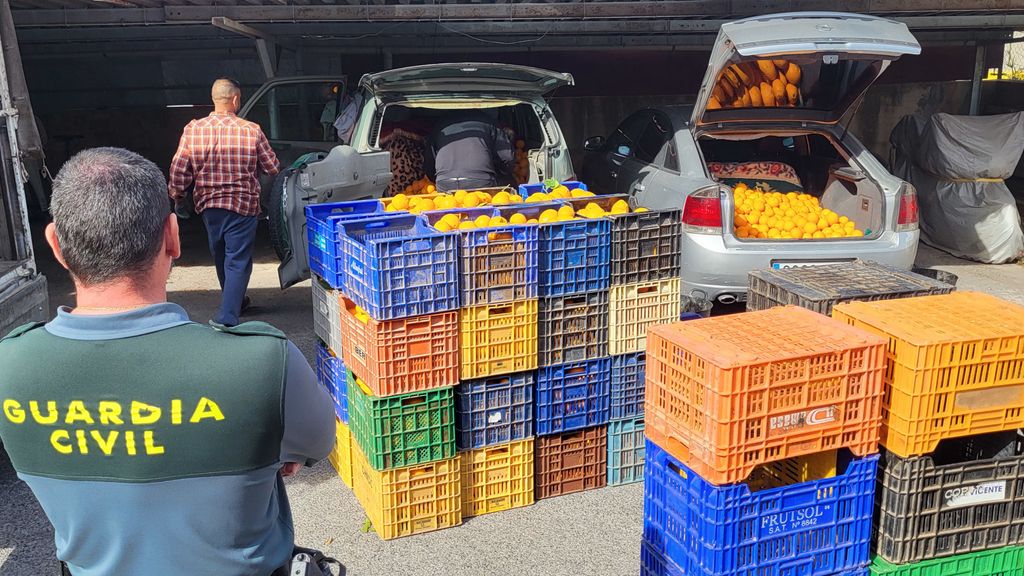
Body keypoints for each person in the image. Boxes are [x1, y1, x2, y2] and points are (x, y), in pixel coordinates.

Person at [0, 147, 336, 576]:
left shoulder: (10, 367)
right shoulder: (262, 363)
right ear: (173, 237)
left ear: (56, 246)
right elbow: (316, 443)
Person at [168, 78, 280, 327]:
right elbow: (272, 168)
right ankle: (228, 316)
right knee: (237, 260)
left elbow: (179, 169)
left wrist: (178, 195)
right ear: (236, 99)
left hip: (209, 206)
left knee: (221, 255)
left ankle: (235, 302)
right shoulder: (251, 130)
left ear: (214, 98)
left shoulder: (194, 129)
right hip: (242, 205)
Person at [425, 109, 515, 192]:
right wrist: (501, 173)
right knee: (509, 185)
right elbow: (507, 158)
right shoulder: (487, 121)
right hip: (481, 181)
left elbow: (429, 164)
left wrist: (441, 178)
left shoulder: (440, 124)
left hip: (445, 183)